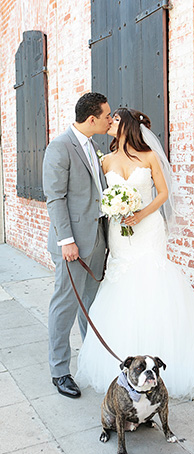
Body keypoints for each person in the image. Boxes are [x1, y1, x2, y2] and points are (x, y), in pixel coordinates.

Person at [75, 108, 194, 412]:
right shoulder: (106, 161)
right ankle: (129, 364)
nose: (109, 123)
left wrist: (140, 212)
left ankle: (164, 359)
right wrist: (117, 210)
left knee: (153, 283)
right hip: (120, 232)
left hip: (148, 228)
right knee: (122, 284)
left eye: (114, 120)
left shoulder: (149, 157)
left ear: (126, 125)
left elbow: (164, 193)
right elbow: (100, 196)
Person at [43, 92, 112, 398]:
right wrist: (66, 240)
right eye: (107, 116)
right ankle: (60, 371)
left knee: (91, 304)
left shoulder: (93, 146)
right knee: (66, 304)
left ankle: (91, 359)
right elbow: (55, 198)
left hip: (97, 238)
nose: (111, 120)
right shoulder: (59, 147)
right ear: (92, 118)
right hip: (72, 244)